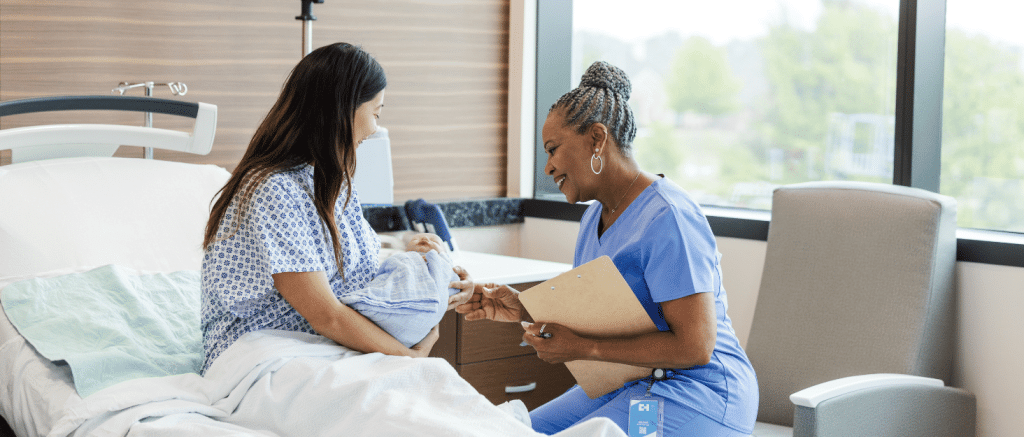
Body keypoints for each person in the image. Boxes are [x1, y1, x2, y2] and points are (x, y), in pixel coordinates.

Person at [455, 61, 758, 436]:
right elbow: (608, 316)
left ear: (597, 139)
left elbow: (695, 348)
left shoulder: (669, 217)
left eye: (553, 150)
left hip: (698, 392)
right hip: (634, 381)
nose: (547, 167)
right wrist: (521, 306)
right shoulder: (593, 218)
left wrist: (584, 348)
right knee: (508, 430)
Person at [200, 42, 473, 375]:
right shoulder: (273, 189)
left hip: (322, 348)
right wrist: (411, 360)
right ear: (342, 109)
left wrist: (432, 270)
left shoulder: (332, 183)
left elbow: (355, 277)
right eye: (376, 113)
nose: (375, 129)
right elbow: (325, 314)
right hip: (265, 353)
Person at [344, 233, 461, 347]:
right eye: (415, 239)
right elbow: (384, 274)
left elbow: (450, 282)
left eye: (435, 241)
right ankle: (374, 301)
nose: (425, 238)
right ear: (406, 249)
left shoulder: (443, 264)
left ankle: (369, 304)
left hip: (422, 317)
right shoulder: (402, 259)